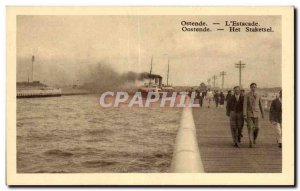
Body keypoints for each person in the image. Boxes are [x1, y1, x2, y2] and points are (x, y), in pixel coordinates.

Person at [243, 83, 265, 148]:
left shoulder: (258, 95)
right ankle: (250, 142)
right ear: (250, 87)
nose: (253, 88)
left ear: (256, 88)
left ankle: (254, 138)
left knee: (257, 128)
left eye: (254, 87)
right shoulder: (247, 95)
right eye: (252, 87)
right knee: (250, 128)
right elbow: (245, 105)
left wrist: (263, 113)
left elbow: (261, 105)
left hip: (257, 114)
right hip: (249, 113)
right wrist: (244, 114)